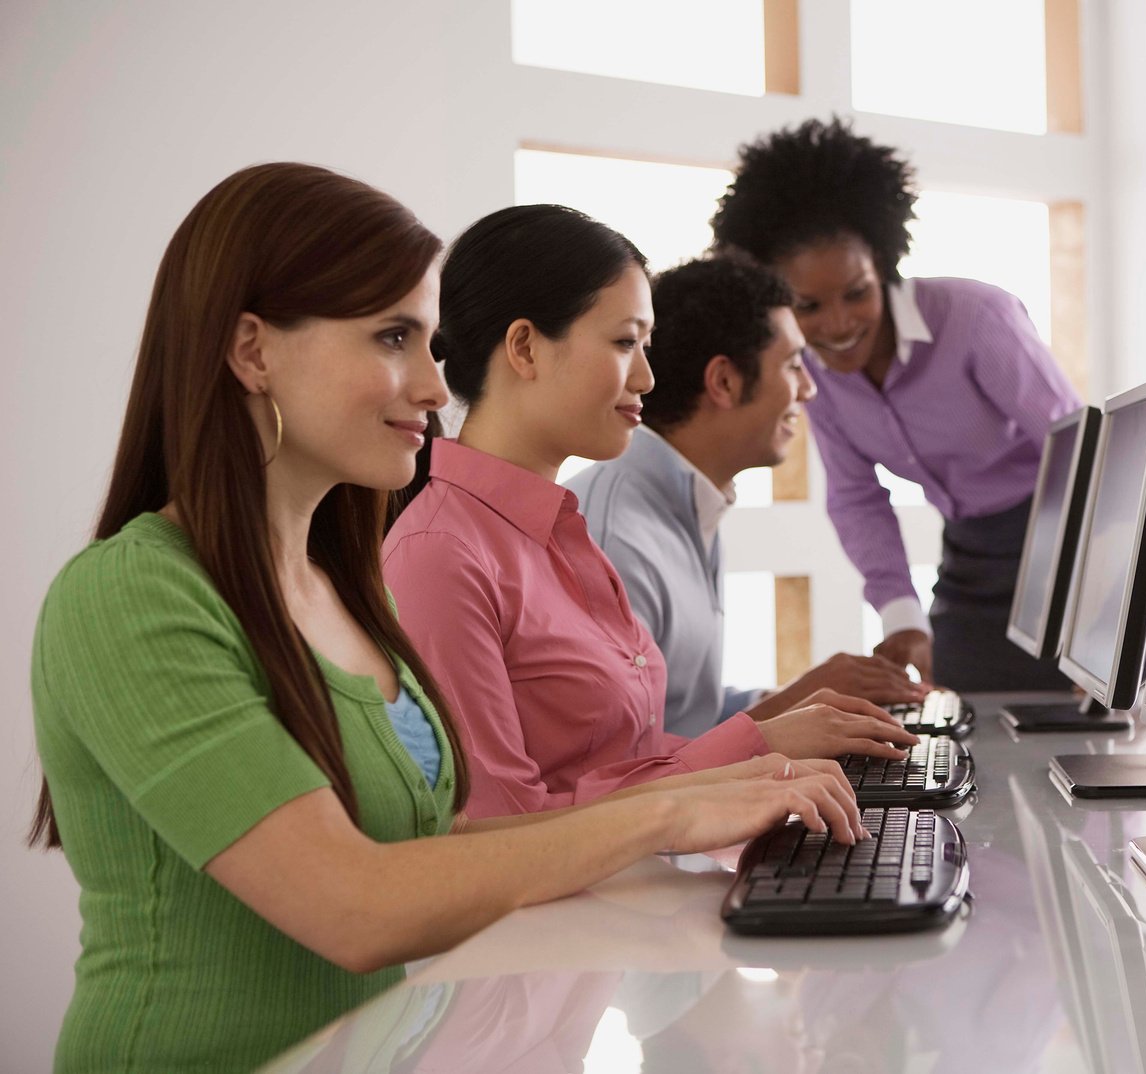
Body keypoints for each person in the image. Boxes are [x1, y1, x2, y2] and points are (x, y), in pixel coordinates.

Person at [27, 163, 864, 1074]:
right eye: (393, 337)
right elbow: (354, 904)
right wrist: (661, 817)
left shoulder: (333, 587)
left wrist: (715, 790)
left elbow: (438, 846)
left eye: (429, 341)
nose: (435, 386)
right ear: (252, 351)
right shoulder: (135, 595)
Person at [383, 205, 918, 819]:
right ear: (525, 348)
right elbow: (500, 826)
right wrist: (761, 747)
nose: (646, 376)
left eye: (646, 345)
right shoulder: (440, 556)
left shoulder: (557, 530)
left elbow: (628, 754)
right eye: (623, 342)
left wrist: (786, 742)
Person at [711, 117, 1083, 691]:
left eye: (856, 293)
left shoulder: (977, 318)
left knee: (1076, 717)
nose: (837, 325)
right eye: (809, 306)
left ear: (883, 265)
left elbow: (1078, 447)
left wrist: (1098, 586)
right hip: (968, 555)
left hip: (1064, 537)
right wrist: (901, 615)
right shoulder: (812, 371)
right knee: (963, 715)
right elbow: (857, 497)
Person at [567, 256, 927, 739]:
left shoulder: (690, 503)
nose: (810, 388)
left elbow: (687, 713)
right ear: (725, 382)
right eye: (794, 364)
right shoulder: (616, 542)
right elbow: (624, 770)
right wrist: (801, 700)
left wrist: (813, 694)